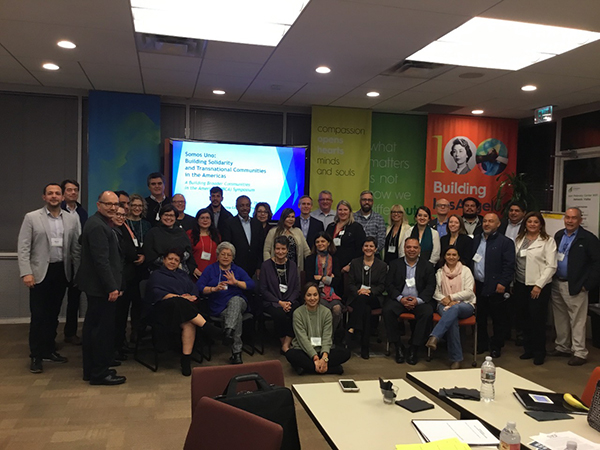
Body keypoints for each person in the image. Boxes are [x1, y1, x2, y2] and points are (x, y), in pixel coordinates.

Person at [18, 183, 81, 374]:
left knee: (53, 315)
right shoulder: (32, 217)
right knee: (38, 315)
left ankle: (48, 349)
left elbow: (76, 249)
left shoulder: (71, 219)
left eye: (57, 193)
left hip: (61, 271)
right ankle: (36, 356)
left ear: (62, 197)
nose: (54, 196)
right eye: (50, 193)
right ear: (44, 197)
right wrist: (26, 272)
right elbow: (23, 247)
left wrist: (77, 273)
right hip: (39, 273)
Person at [146, 249, 221, 376]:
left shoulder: (183, 275)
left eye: (176, 260)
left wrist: (191, 296)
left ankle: (185, 360)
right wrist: (181, 297)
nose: (173, 262)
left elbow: (194, 290)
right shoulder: (156, 275)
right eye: (170, 259)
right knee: (178, 302)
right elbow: (157, 293)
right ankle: (208, 327)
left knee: (189, 322)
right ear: (164, 260)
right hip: (162, 311)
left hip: (184, 311)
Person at [77, 191, 126, 385]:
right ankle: (100, 373)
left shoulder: (101, 223)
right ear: (99, 205)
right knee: (101, 332)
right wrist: (111, 287)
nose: (113, 208)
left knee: (93, 328)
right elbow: (101, 261)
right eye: (108, 204)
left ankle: (92, 370)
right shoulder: (98, 226)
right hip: (101, 288)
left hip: (97, 287)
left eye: (115, 204)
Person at [551, 207, 600, 366]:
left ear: (580, 220)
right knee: (560, 317)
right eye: (567, 217)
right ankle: (563, 346)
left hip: (576, 285)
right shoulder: (559, 235)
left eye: (573, 218)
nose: (570, 221)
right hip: (557, 282)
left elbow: (597, 264)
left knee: (577, 320)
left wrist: (587, 285)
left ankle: (579, 352)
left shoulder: (588, 239)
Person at [197, 242, 256, 364]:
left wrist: (236, 282)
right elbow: (199, 287)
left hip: (240, 302)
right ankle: (236, 353)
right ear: (218, 256)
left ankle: (228, 331)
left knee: (235, 300)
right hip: (218, 306)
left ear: (232, 257)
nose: (225, 257)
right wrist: (213, 289)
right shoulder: (210, 269)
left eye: (229, 255)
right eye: (223, 254)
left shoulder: (237, 270)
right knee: (236, 317)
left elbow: (251, 285)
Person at [514, 212, 557, 365]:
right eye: (529, 221)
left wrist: (539, 285)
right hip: (520, 284)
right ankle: (528, 349)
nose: (532, 224)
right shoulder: (519, 239)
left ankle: (539, 352)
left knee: (537, 320)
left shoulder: (548, 241)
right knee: (524, 318)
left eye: (536, 222)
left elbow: (551, 266)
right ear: (525, 224)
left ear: (541, 225)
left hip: (538, 286)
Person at [384, 238, 435, 365]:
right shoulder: (395, 264)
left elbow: (430, 286)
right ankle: (398, 346)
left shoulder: (427, 266)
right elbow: (389, 284)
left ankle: (414, 347)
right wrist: (400, 299)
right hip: (400, 299)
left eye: (415, 247)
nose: (412, 250)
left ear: (419, 249)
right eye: (408, 247)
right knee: (387, 310)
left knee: (427, 313)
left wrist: (418, 300)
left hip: (419, 301)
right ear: (404, 248)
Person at [472, 213, 515, 358]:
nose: (487, 224)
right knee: (481, 317)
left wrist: (503, 282)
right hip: (478, 285)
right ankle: (482, 343)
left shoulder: (505, 242)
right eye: (485, 221)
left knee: (498, 319)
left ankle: (496, 346)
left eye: (491, 221)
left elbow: (509, 265)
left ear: (498, 224)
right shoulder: (476, 239)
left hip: (496, 286)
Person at [425, 247, 476, 369]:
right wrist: (446, 300)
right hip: (444, 304)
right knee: (452, 320)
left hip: (465, 304)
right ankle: (456, 359)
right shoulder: (439, 272)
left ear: (458, 257)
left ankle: (435, 336)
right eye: (448, 254)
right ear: (444, 256)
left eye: (454, 255)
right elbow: (435, 292)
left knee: (455, 309)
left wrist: (452, 298)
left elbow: (469, 292)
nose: (451, 257)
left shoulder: (466, 270)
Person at [285, 283, 351, 375]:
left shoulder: (326, 312)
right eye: (309, 295)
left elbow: (327, 336)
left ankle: (307, 369)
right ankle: (331, 369)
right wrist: (315, 357)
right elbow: (302, 339)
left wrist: (324, 357)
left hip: (322, 350)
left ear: (319, 296)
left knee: (346, 353)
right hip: (304, 350)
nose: (312, 298)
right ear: (304, 297)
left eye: (315, 295)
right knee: (290, 354)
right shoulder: (297, 313)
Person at [346, 237, 388, 359]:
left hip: (374, 298)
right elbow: (350, 284)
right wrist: (359, 291)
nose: (368, 248)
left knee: (364, 301)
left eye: (371, 246)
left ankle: (353, 327)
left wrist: (369, 291)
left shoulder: (382, 265)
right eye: (366, 246)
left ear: (375, 249)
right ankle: (365, 347)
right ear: (362, 248)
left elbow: (382, 286)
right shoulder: (355, 263)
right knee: (365, 309)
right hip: (357, 296)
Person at [112, 205, 143, 361]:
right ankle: (114, 349)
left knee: (122, 315)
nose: (121, 217)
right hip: (117, 278)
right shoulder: (110, 230)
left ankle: (120, 344)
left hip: (128, 277)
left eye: (123, 215)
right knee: (116, 316)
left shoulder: (123, 227)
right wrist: (135, 256)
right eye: (117, 214)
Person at [259, 236, 300, 353]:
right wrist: (280, 302)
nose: (280, 252)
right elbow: (263, 290)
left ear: (287, 250)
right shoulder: (266, 265)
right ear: (274, 249)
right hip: (272, 301)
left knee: (296, 312)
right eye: (277, 249)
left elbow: (296, 288)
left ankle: (286, 344)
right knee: (280, 314)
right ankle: (284, 343)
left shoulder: (292, 265)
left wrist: (289, 302)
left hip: (290, 300)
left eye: (283, 249)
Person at [60, 179, 88, 345]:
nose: (73, 193)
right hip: (60, 261)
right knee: (54, 301)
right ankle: (48, 337)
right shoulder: (57, 210)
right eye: (69, 190)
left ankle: (70, 333)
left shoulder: (82, 213)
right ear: (63, 193)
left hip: (77, 261)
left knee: (74, 300)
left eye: (75, 190)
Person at [144, 204, 198, 276]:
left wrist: (176, 261)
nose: (168, 218)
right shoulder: (153, 232)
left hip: (180, 271)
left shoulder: (181, 232)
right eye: (166, 215)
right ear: (161, 216)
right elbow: (150, 255)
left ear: (175, 217)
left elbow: (188, 252)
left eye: (172, 215)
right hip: (158, 271)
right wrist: (168, 262)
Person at [304, 232, 343, 332]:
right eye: (317, 242)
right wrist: (329, 279)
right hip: (316, 293)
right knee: (323, 309)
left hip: (333, 293)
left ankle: (330, 334)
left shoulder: (335, 259)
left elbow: (338, 280)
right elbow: (310, 279)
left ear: (328, 243)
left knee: (337, 309)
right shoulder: (310, 259)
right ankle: (320, 334)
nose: (320, 244)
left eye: (323, 241)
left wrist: (321, 278)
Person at [125, 193, 151, 343]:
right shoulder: (124, 223)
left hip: (142, 268)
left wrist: (144, 256)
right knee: (125, 303)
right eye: (134, 205)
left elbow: (149, 244)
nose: (137, 208)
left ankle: (136, 332)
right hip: (127, 268)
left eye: (140, 206)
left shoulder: (147, 224)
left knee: (139, 302)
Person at [221, 195, 263, 278]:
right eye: (242, 205)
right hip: (235, 267)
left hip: (254, 268)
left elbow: (260, 246)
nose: (245, 208)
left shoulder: (257, 223)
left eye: (247, 205)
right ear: (236, 207)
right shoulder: (229, 223)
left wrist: (259, 266)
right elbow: (227, 245)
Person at [264, 208, 311, 272]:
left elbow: (306, 251)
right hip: (276, 268)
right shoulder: (273, 232)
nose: (291, 219)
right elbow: (266, 251)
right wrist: (269, 266)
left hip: (294, 268)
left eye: (293, 217)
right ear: (283, 218)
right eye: (288, 217)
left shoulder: (298, 231)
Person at [325, 200, 366, 273]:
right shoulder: (330, 227)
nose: (342, 212)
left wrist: (350, 265)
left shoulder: (356, 227)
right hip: (331, 265)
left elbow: (360, 249)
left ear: (350, 212)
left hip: (348, 268)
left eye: (345, 210)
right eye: (340, 210)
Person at [188, 208, 220, 276]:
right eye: (202, 218)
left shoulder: (216, 235)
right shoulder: (190, 234)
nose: (205, 220)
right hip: (195, 272)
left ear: (211, 220)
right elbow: (187, 254)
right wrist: (192, 268)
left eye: (207, 218)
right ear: (197, 220)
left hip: (213, 272)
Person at [353, 190, 386, 255]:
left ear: (372, 202)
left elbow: (381, 240)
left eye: (369, 200)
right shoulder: (353, 218)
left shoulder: (379, 218)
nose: (367, 202)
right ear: (360, 201)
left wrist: (371, 252)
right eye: (364, 200)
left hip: (374, 255)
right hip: (356, 255)